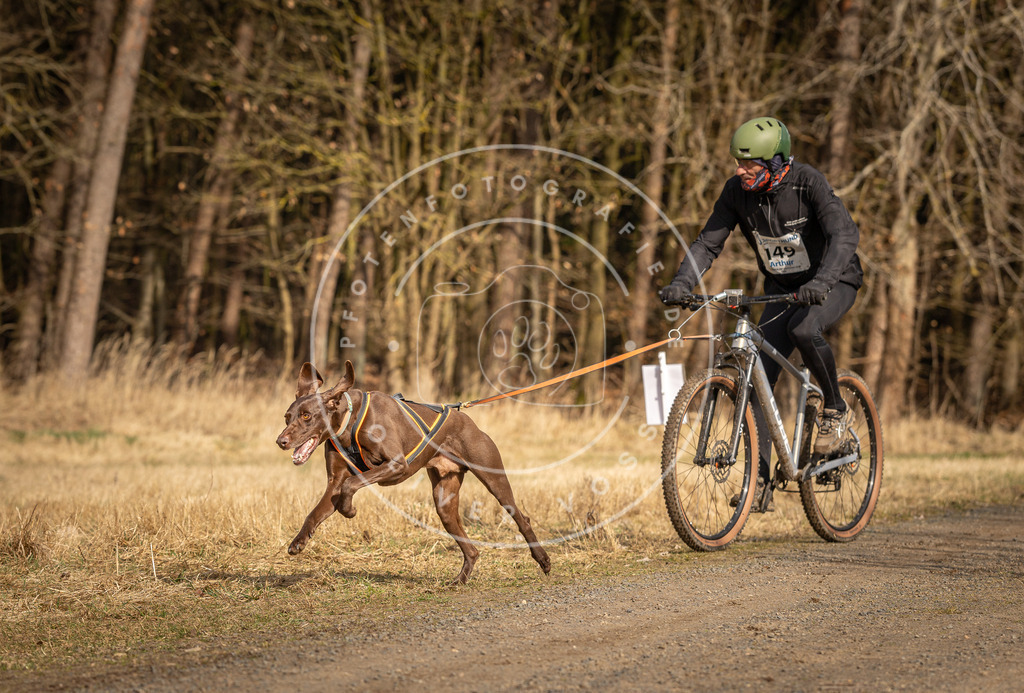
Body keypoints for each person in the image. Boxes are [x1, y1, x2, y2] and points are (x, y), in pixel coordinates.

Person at [659, 116, 863, 512]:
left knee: (804, 330)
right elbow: (708, 243)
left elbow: (844, 235)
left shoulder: (807, 183)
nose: (740, 171)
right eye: (738, 163)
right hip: (782, 289)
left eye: (749, 164)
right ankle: (761, 483)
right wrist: (682, 283)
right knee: (756, 381)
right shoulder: (736, 192)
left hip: (834, 280)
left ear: (776, 162)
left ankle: (835, 410)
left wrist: (823, 281)